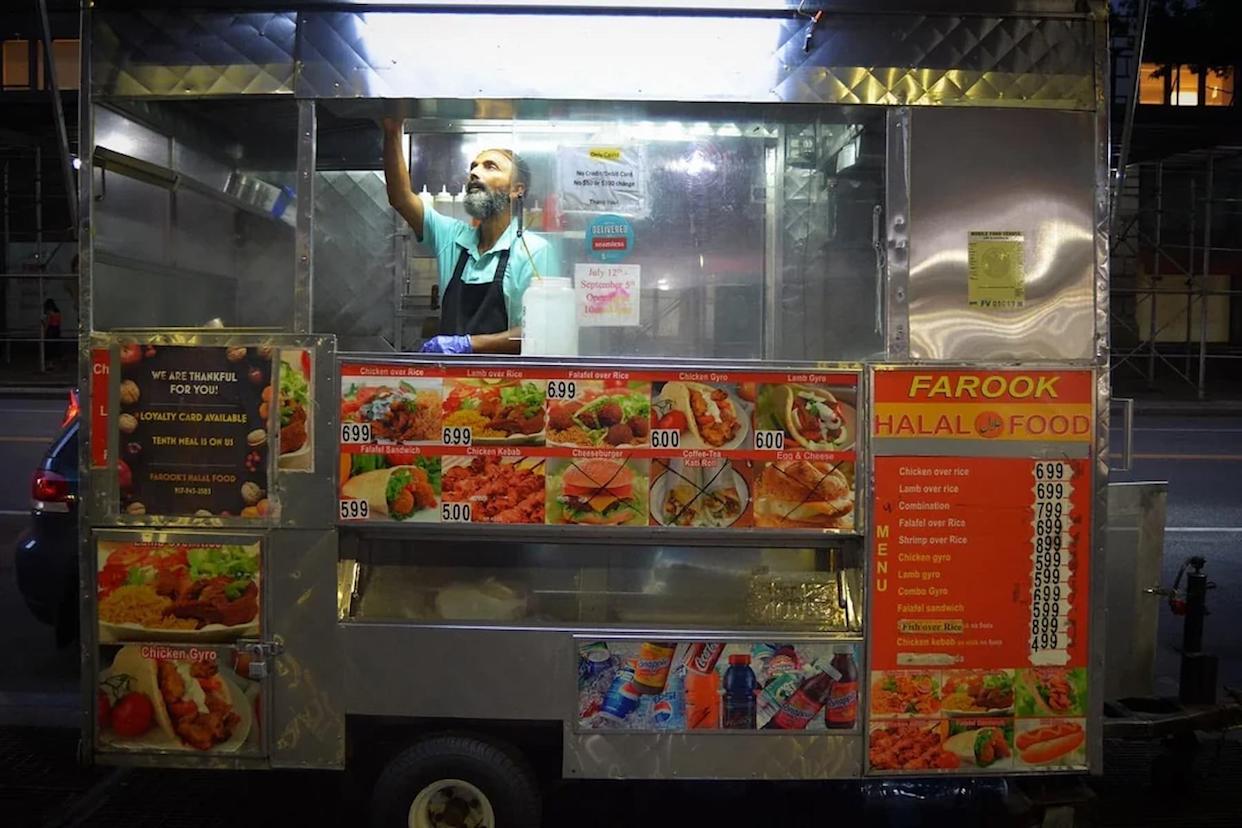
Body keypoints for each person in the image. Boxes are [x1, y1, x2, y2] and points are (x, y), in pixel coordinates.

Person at [383, 118, 558, 354]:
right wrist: (392, 130)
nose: (475, 173)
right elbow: (401, 198)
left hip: (505, 384)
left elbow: (537, 332)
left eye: (490, 166)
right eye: (473, 167)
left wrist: (467, 345)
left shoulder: (534, 250)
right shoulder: (452, 237)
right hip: (451, 384)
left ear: (517, 190)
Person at [41, 298, 62, 370]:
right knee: (55, 346)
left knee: (49, 347)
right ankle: (54, 363)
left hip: (51, 330)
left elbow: (47, 323)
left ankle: (50, 364)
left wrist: (44, 330)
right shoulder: (57, 312)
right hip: (57, 329)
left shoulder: (49, 312)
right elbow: (59, 321)